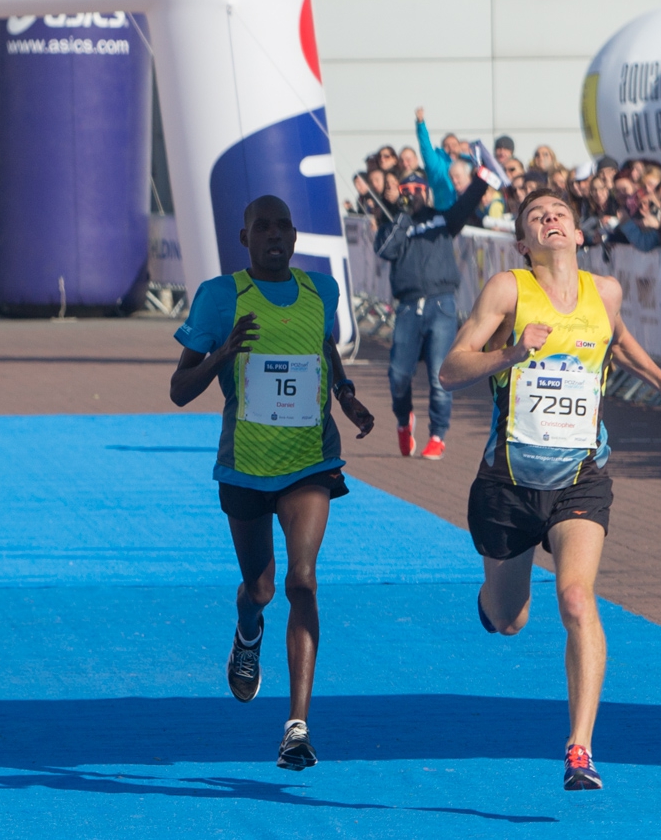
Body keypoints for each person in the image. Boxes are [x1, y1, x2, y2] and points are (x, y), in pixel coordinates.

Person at [439, 188, 661, 791]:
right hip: (507, 480)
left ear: (579, 234)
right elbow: (451, 369)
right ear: (522, 241)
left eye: (560, 214)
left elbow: (621, 342)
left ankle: (579, 750)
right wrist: (510, 352)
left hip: (581, 476)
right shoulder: (508, 290)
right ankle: (494, 599)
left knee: (578, 600)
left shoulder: (603, 292)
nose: (551, 219)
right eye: (537, 216)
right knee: (510, 620)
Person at [169, 195, 376, 771]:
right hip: (245, 466)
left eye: (285, 224)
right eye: (263, 226)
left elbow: (323, 346)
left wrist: (347, 396)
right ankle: (247, 627)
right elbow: (179, 388)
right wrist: (223, 353)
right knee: (260, 589)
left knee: (302, 580)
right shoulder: (220, 296)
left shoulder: (320, 291)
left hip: (310, 460)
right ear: (245, 237)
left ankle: (297, 727)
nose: (276, 234)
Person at [373, 163, 492, 459]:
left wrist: (483, 176)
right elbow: (385, 250)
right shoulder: (394, 225)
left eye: (417, 190)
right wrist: (401, 217)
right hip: (408, 307)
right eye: (406, 191)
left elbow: (466, 204)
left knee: (441, 373)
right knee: (399, 374)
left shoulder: (441, 219)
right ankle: (404, 422)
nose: (412, 195)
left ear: (426, 193)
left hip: (441, 304)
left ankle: (438, 435)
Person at [415, 106, 465, 208]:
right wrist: (421, 124)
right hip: (444, 211)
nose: (451, 148)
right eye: (447, 145)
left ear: (460, 146)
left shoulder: (467, 162)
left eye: (454, 145)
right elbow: (426, 147)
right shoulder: (437, 164)